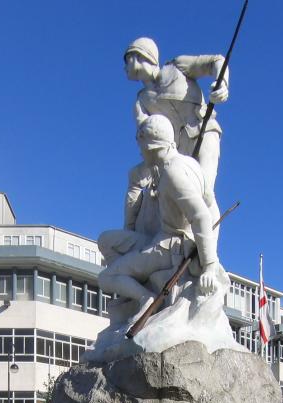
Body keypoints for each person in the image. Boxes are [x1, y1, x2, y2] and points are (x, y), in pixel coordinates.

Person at [98, 115, 225, 314]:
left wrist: (209, 265)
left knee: (106, 278)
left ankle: (144, 297)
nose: (140, 153)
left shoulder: (173, 172)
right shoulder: (188, 164)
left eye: (142, 147)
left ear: (151, 146)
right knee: (106, 240)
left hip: (170, 248)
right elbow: (210, 204)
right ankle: (131, 287)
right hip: (160, 239)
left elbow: (201, 215)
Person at [124, 37, 228, 204]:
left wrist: (221, 83)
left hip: (204, 132)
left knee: (205, 192)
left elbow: (216, 61)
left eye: (126, 61)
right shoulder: (141, 101)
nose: (124, 68)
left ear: (137, 56)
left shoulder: (177, 67)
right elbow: (146, 140)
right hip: (175, 154)